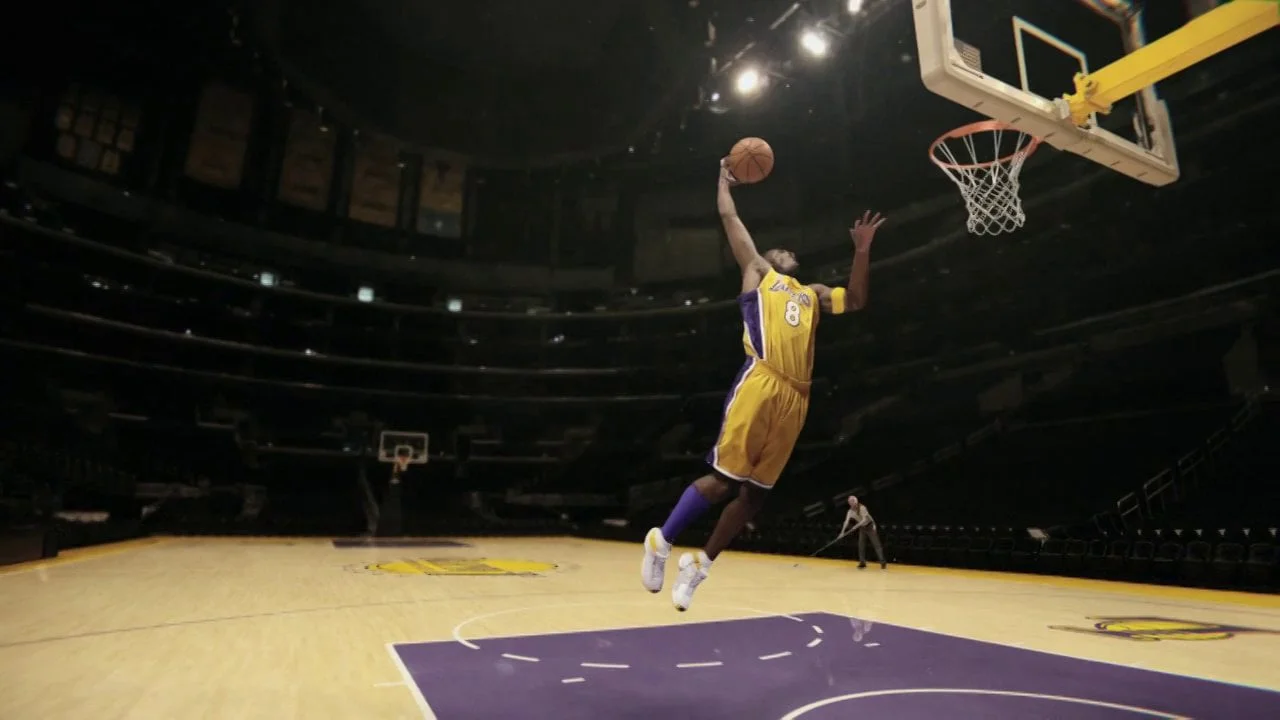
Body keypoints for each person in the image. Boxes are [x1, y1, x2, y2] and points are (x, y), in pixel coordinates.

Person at [641, 158, 886, 610]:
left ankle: (700, 565)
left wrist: (862, 251)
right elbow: (729, 218)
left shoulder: (811, 294)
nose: (787, 251)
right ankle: (663, 540)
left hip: (798, 396)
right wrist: (723, 181)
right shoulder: (758, 272)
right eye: (780, 249)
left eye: (791, 251)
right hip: (762, 378)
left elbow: (855, 299)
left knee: (754, 497)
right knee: (722, 481)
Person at [839, 495, 886, 569]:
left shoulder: (862, 507)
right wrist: (842, 532)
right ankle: (862, 563)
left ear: (856, 501)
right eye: (849, 502)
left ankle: (882, 562)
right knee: (861, 545)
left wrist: (856, 526)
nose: (850, 503)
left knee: (876, 544)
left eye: (852, 501)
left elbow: (865, 519)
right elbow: (846, 522)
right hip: (862, 528)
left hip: (869, 526)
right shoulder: (850, 511)